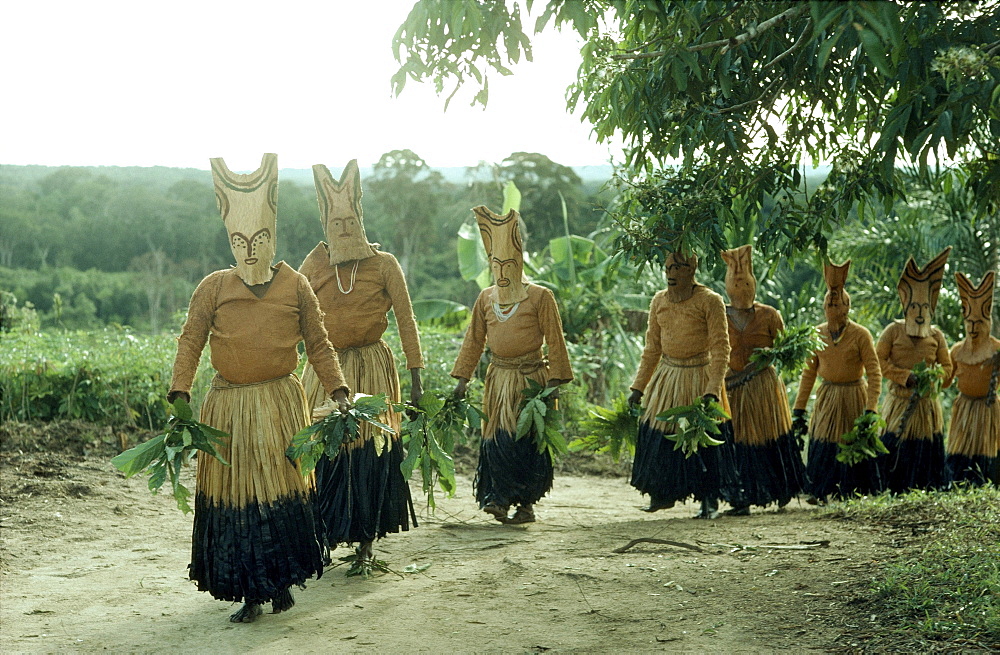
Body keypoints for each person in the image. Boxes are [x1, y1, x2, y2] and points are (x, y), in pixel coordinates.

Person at [168, 154, 350, 623]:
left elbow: (319, 344)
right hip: (228, 411)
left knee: (282, 493)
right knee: (239, 499)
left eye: (259, 240)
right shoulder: (213, 287)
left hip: (279, 406)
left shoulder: (295, 285)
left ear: (273, 238)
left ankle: (281, 580)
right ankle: (252, 590)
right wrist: (180, 393)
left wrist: (339, 391)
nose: (249, 251)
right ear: (230, 241)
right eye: (239, 241)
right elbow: (190, 340)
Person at [299, 160, 419, 565]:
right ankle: (327, 531)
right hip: (324, 369)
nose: (345, 229)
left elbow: (406, 320)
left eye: (351, 221)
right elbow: (291, 316)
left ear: (361, 219)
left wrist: (416, 379)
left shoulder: (384, 265)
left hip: (373, 367)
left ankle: (366, 537)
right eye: (337, 223)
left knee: (370, 452)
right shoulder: (313, 265)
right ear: (325, 226)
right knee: (325, 449)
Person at [451, 205, 573, 525]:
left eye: (508, 264)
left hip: (531, 382)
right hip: (497, 382)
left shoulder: (540, 297)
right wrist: (462, 380)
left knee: (526, 442)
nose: (502, 272)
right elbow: (474, 341)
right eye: (496, 265)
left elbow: (556, 341)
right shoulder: (485, 298)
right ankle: (499, 498)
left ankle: (526, 504)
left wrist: (553, 384)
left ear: (519, 263)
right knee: (497, 438)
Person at [628, 251, 739, 519]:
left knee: (704, 442)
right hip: (667, 377)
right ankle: (661, 494)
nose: (671, 274)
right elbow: (652, 349)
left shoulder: (710, 301)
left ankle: (708, 500)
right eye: (668, 268)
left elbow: (721, 349)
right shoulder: (658, 301)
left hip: (699, 377)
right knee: (657, 434)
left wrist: (713, 389)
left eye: (678, 268)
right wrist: (638, 387)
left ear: (691, 271)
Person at [720, 245, 804, 514]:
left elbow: (782, 348)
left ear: (754, 284)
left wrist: (765, 357)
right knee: (738, 440)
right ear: (727, 286)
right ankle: (742, 497)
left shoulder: (769, 315)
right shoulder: (720, 315)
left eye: (746, 282)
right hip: (732, 389)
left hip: (763, 388)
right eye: (736, 282)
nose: (741, 287)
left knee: (770, 437)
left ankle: (782, 489)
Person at [792, 260, 883, 502]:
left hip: (854, 395)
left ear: (846, 308)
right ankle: (820, 489)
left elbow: (874, 373)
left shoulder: (861, 335)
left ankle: (853, 490)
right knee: (823, 439)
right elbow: (808, 373)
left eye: (837, 303)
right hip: (827, 396)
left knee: (851, 441)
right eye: (828, 302)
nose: (832, 305)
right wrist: (799, 409)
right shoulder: (817, 334)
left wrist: (871, 408)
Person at [876, 247, 953, 493]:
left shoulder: (937, 336)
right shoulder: (893, 331)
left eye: (924, 308)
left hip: (926, 407)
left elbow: (948, 366)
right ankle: (891, 487)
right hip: (898, 404)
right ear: (906, 307)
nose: (919, 314)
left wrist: (934, 377)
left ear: (931, 309)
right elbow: (878, 361)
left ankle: (928, 487)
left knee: (926, 454)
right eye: (914, 308)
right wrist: (903, 376)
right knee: (894, 449)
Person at [945, 271, 999, 486]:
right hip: (964, 410)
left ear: (987, 322)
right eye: (969, 322)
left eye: (978, 322)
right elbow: (945, 381)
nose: (973, 327)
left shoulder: (996, 350)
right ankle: (959, 480)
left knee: (988, 452)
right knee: (960, 452)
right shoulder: (957, 350)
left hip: (988, 411)